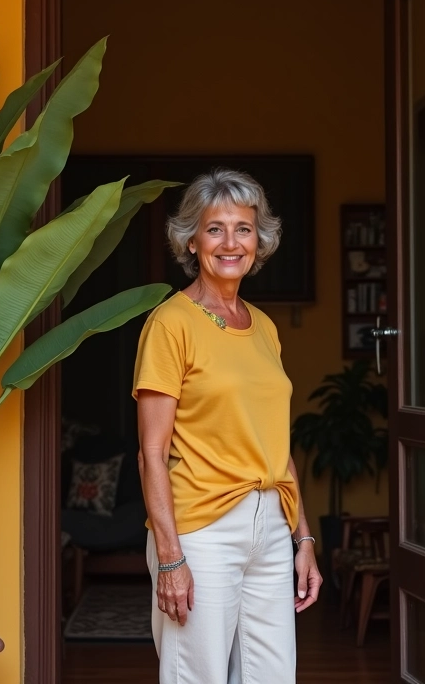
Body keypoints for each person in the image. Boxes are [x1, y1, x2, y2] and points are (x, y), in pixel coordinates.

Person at [133, 168, 322, 684]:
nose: (231, 242)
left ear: (259, 242)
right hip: (201, 528)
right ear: (191, 241)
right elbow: (152, 452)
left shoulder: (263, 327)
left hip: (269, 526)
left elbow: (275, 447)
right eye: (215, 228)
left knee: (273, 675)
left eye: (244, 228)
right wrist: (171, 559)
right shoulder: (171, 324)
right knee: (197, 675)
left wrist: (303, 539)